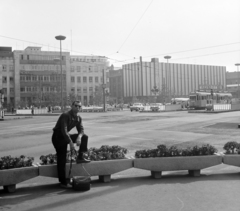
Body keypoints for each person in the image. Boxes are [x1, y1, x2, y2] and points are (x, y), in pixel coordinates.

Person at [52, 100, 91, 188]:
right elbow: (64, 130)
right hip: (58, 137)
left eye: (79, 106)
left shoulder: (78, 117)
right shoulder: (65, 115)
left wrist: (79, 137)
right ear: (72, 106)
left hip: (65, 137)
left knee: (84, 137)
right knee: (62, 158)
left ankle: (81, 156)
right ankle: (63, 182)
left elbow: (81, 130)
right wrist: (70, 142)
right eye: (76, 106)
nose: (78, 108)